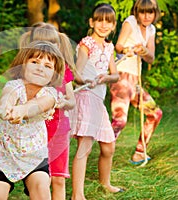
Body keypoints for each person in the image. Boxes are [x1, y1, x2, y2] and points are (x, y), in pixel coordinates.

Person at [0, 40, 65, 200]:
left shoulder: (51, 94)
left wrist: (22, 109)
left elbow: (39, 104)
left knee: (42, 191)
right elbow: (7, 97)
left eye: (48, 66)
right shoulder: (14, 85)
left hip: (34, 156)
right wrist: (6, 108)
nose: (40, 67)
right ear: (22, 65)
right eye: (35, 62)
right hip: (2, 155)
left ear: (54, 74)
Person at [69, 4, 122, 200]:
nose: (103, 24)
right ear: (92, 22)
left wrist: (105, 78)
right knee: (85, 146)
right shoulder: (87, 44)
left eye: (108, 21)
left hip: (99, 101)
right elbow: (76, 72)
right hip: (86, 97)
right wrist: (85, 80)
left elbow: (115, 75)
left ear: (113, 25)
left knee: (108, 146)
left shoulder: (109, 47)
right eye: (99, 20)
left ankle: (105, 182)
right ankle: (77, 195)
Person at [20, 23, 77, 200]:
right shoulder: (30, 71)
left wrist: (63, 103)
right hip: (36, 133)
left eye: (52, 43)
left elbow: (72, 100)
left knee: (58, 179)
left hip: (59, 132)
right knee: (41, 181)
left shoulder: (63, 69)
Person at [110, 0, 162, 164]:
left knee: (155, 114)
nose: (146, 16)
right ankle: (102, 153)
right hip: (122, 76)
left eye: (150, 12)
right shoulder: (130, 21)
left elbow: (151, 58)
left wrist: (145, 51)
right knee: (120, 121)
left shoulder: (152, 29)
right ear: (137, 12)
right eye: (143, 12)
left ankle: (140, 152)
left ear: (155, 13)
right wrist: (127, 49)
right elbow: (118, 46)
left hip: (135, 80)